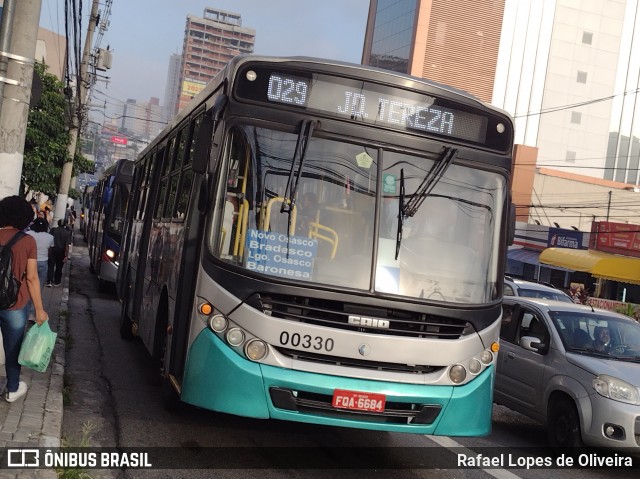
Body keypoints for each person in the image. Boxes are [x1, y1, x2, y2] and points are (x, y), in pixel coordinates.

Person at [0, 195, 49, 402]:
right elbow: (31, 278)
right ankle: (12, 389)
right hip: (15, 304)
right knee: (12, 349)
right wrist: (39, 310)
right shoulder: (27, 241)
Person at [26, 218, 54, 319]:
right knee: (38, 289)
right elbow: (50, 251)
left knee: (27, 288)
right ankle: (33, 313)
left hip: (29, 262)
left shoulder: (29, 234)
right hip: (43, 262)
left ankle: (26, 310)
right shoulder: (50, 237)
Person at [46, 220, 70, 287]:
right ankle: (57, 281)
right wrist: (66, 255)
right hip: (61, 251)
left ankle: (49, 281)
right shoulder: (66, 233)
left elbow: (49, 240)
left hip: (52, 250)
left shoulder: (53, 230)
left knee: (51, 266)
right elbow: (66, 245)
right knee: (59, 267)